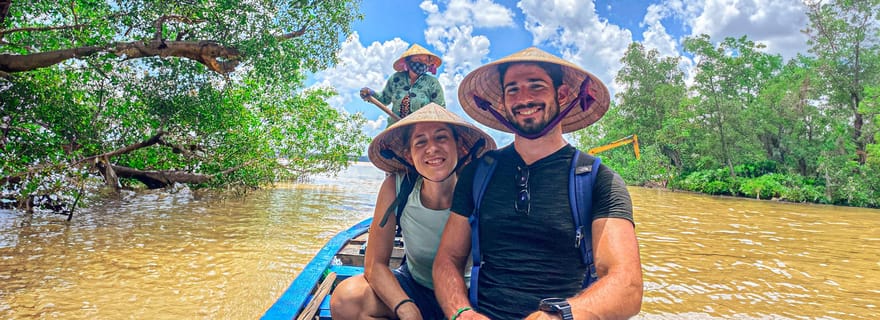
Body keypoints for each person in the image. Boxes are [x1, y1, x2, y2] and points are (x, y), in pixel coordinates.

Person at [433, 47, 643, 320]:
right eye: (512, 90)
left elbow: (627, 285)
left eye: (536, 86)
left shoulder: (598, 180)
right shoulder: (477, 173)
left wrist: (559, 315)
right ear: (503, 103)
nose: (524, 98)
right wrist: (462, 313)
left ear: (562, 95)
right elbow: (447, 260)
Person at [331, 103, 496, 320]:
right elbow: (375, 265)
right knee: (346, 299)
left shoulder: (481, 189)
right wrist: (405, 307)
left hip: (469, 295)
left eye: (441, 138)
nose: (432, 148)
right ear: (409, 155)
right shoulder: (398, 187)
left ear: (459, 146)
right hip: (416, 287)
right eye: (420, 142)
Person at [361, 44, 446, 126]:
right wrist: (371, 93)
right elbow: (384, 99)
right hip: (396, 127)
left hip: (421, 130)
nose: (422, 63)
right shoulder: (396, 79)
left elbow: (440, 109)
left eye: (426, 61)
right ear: (408, 62)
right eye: (418, 60)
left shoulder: (432, 82)